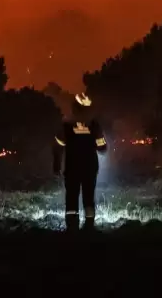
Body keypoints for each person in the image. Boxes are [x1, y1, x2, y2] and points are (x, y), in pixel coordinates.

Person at [53, 92, 107, 229]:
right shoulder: (94, 125)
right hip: (90, 168)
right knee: (88, 198)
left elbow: (58, 146)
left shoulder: (67, 125)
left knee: (71, 198)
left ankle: (72, 228)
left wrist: (57, 164)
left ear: (74, 108)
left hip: (72, 167)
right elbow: (102, 148)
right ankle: (89, 227)